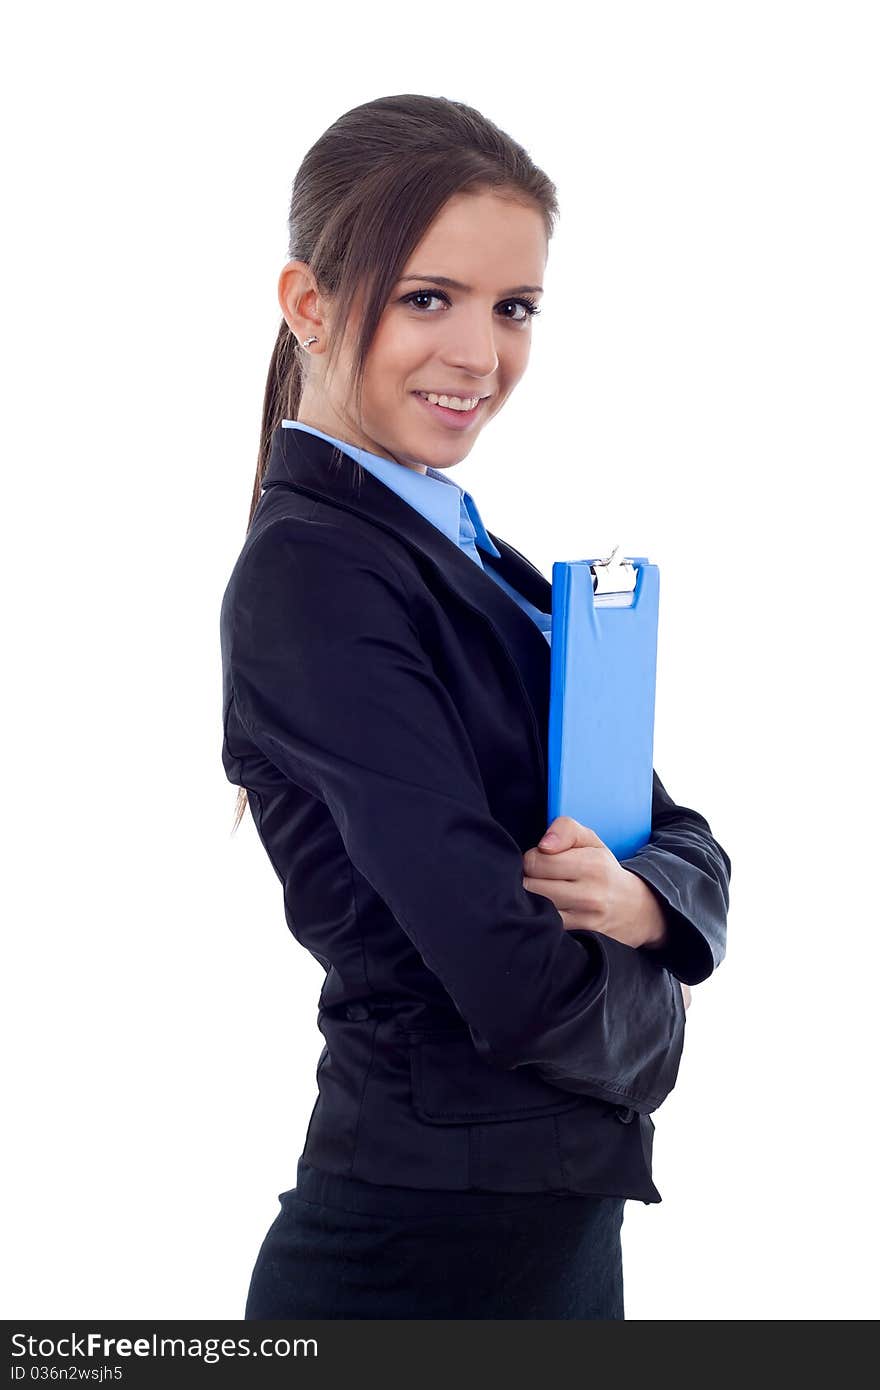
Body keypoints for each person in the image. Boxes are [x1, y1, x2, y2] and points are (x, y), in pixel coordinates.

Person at [219, 93, 731, 1320]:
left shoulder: (473, 555)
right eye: (426, 298)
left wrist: (649, 901)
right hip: (418, 1250)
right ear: (312, 304)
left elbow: (682, 834)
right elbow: (502, 973)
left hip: (538, 1228)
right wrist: (663, 1021)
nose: (478, 355)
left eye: (514, 309)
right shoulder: (314, 575)